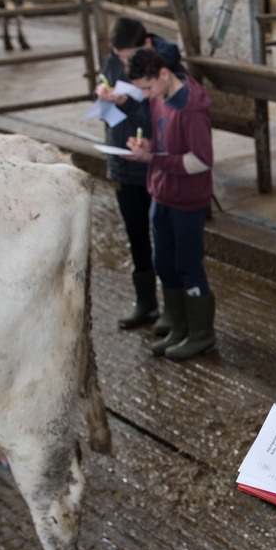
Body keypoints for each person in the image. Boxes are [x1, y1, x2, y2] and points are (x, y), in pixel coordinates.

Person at [95, 17, 185, 332]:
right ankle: (145, 302)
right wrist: (104, 95)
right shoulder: (115, 59)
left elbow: (169, 110)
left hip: (155, 161)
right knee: (136, 234)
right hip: (122, 158)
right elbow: (107, 80)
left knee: (166, 237)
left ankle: (175, 309)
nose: (122, 64)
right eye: (118, 58)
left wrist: (129, 104)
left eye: (127, 57)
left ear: (146, 44)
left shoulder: (167, 66)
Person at [125, 48, 216, 361]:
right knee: (163, 261)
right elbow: (165, 145)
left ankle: (202, 335)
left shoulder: (191, 108)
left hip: (187, 200)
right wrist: (149, 148)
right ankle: (179, 328)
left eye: (147, 87)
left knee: (188, 265)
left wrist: (155, 160)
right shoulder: (159, 99)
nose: (145, 94)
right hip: (161, 193)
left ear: (164, 74)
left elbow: (202, 160)